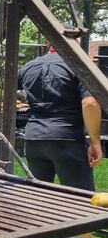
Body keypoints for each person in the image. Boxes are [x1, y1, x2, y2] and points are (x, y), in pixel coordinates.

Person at [18, 49, 102, 191]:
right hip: (67, 139)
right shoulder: (78, 66)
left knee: (38, 197)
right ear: (74, 43)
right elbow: (90, 103)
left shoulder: (28, 66)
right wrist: (95, 142)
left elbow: (7, 90)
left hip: (34, 139)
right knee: (80, 200)